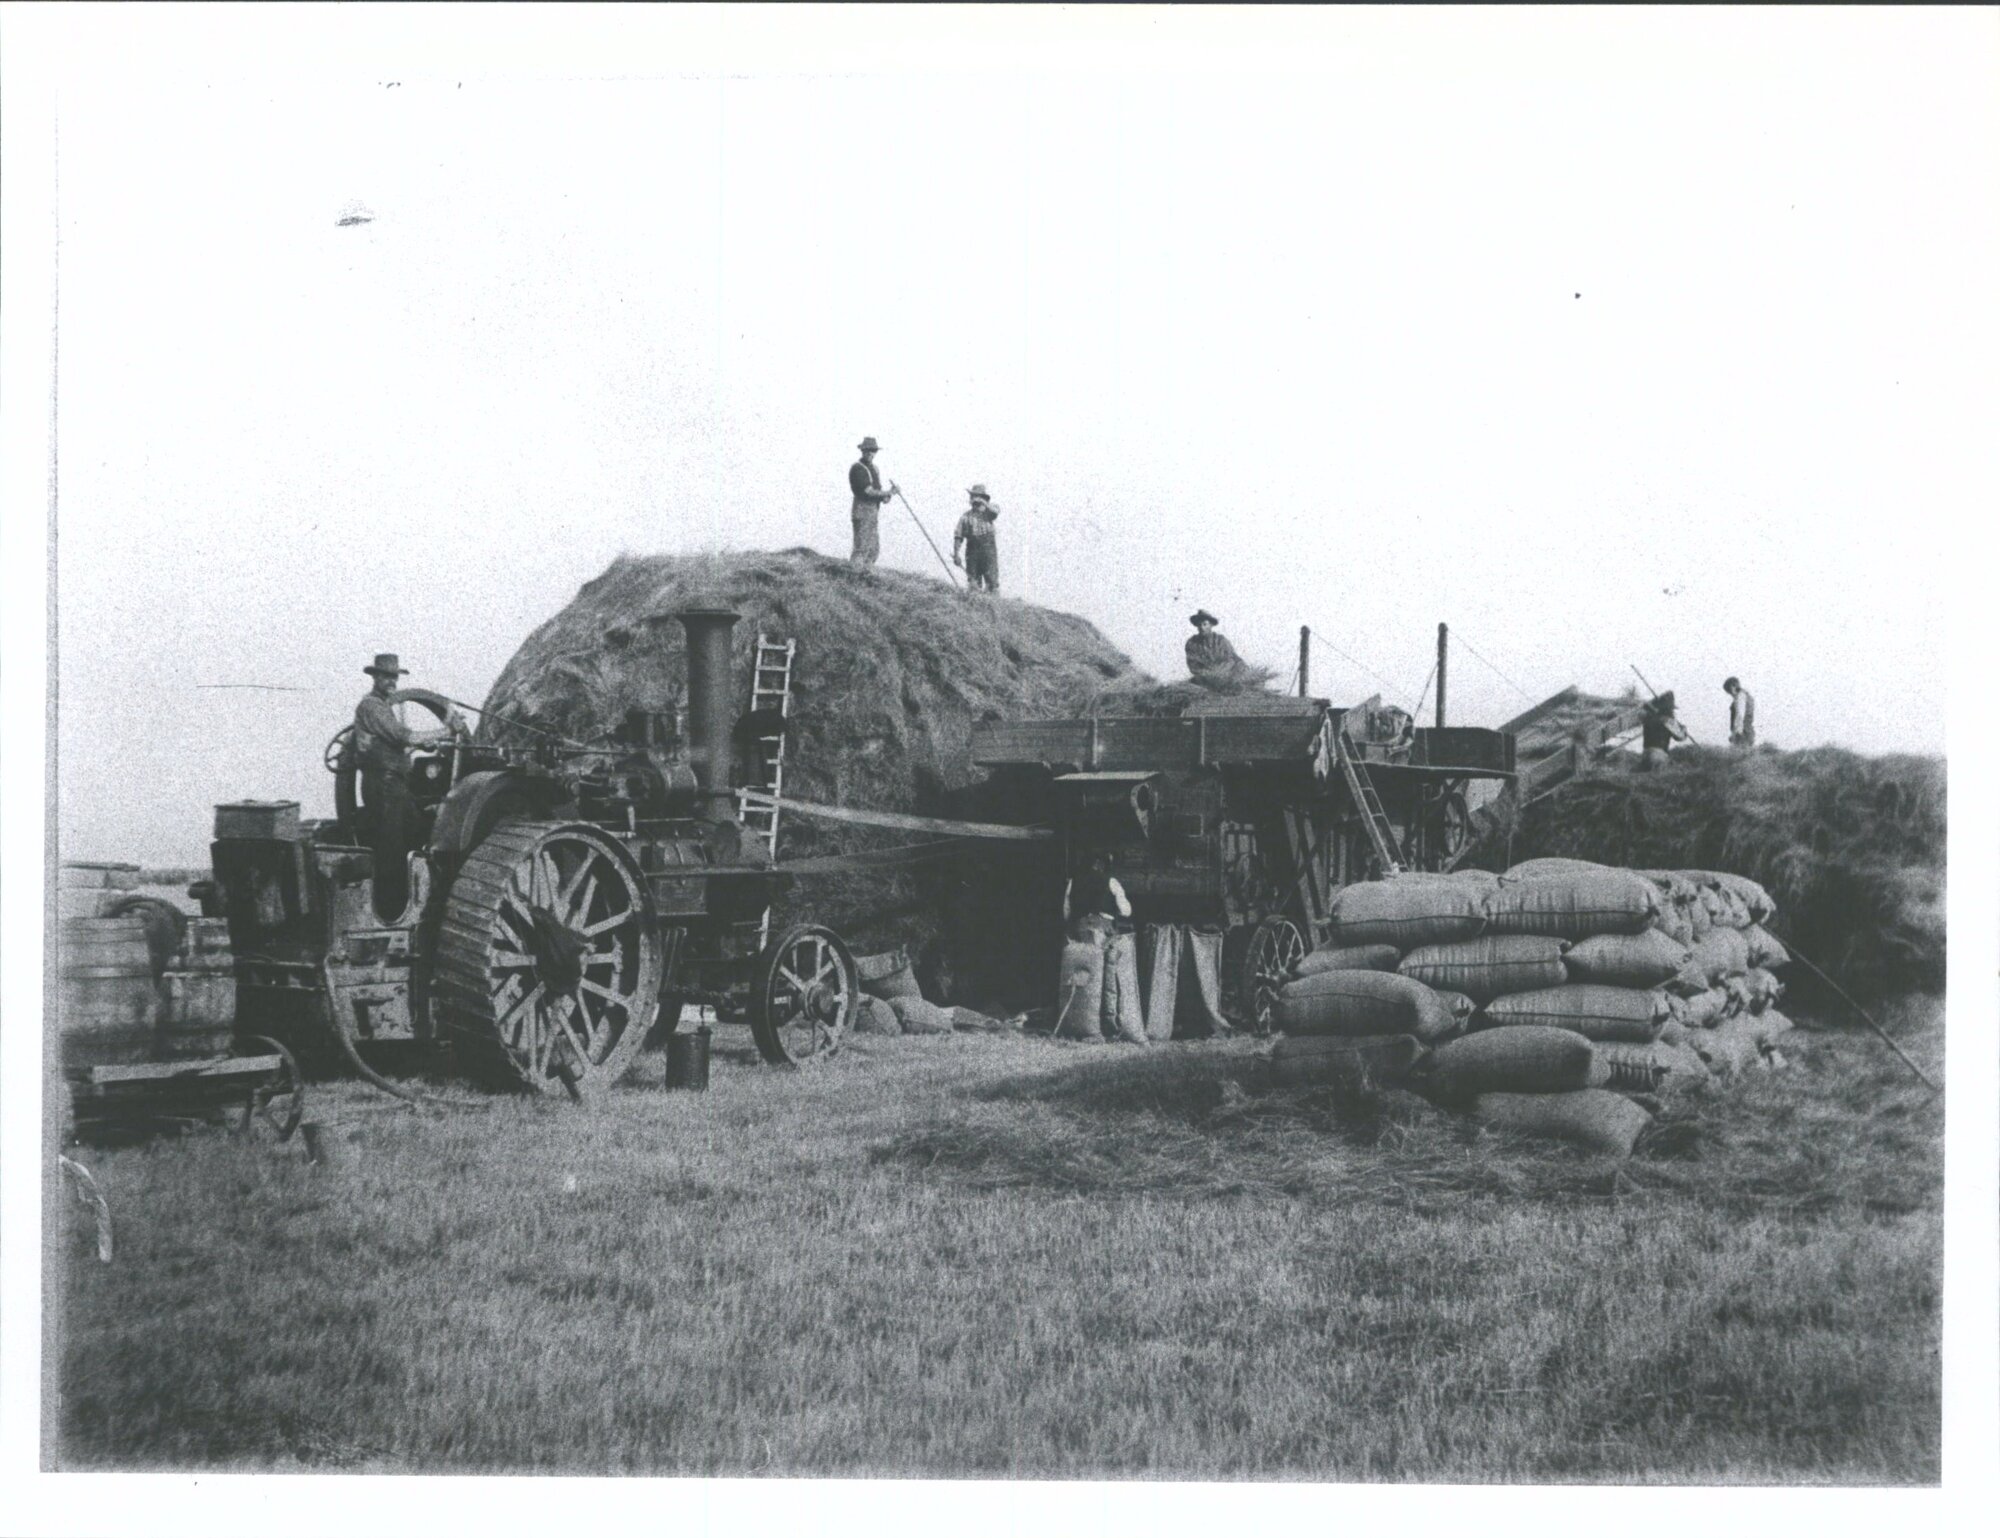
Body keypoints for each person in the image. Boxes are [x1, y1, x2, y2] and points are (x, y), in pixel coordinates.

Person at [354, 653, 462, 919]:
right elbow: (403, 736)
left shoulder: (382, 707)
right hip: (385, 785)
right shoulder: (372, 706)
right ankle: (391, 912)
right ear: (375, 677)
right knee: (391, 849)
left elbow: (401, 741)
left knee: (414, 833)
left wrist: (421, 744)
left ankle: (420, 901)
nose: (391, 682)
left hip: (396, 785)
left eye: (394, 677)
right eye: (385, 676)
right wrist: (447, 731)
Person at [847, 436, 897, 565]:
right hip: (862, 512)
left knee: (873, 550)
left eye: (873, 451)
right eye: (868, 450)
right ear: (862, 451)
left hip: (873, 513)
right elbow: (867, 491)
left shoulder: (874, 469)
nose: (870, 453)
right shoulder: (857, 468)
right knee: (861, 548)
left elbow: (880, 496)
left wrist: (887, 496)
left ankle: (866, 578)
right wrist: (888, 492)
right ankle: (853, 577)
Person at [1062, 853, 1131, 939]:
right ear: (1102, 865)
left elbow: (1066, 912)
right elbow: (1126, 911)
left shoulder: (1073, 882)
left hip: (1078, 931)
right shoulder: (1112, 881)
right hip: (1102, 931)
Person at [952, 484, 1001, 592]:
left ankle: (993, 604)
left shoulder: (988, 512)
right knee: (973, 581)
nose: (973, 499)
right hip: (972, 550)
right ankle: (975, 603)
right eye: (972, 496)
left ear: (983, 498)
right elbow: (958, 535)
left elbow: (995, 512)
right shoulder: (966, 516)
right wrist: (956, 554)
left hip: (988, 549)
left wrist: (984, 503)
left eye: (976, 496)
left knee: (992, 581)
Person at [1184, 609, 1244, 685]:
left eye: (1205, 624)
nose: (1202, 627)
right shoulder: (1191, 643)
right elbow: (1193, 665)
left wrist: (1219, 672)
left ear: (1211, 625)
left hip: (1227, 673)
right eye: (1199, 625)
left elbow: (1230, 660)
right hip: (1205, 677)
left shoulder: (1221, 640)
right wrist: (1207, 674)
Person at [1639, 690, 1690, 770]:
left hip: (1645, 754)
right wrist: (1684, 729)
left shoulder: (1648, 718)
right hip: (1659, 755)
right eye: (1672, 709)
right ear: (1669, 709)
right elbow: (1680, 737)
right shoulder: (1667, 721)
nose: (1672, 711)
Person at [1724, 676, 1757, 747]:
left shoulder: (1740, 697)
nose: (1730, 694)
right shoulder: (1747, 696)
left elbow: (1740, 714)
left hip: (1742, 733)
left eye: (1729, 691)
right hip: (1748, 731)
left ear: (1733, 686)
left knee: (1739, 755)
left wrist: (1737, 732)